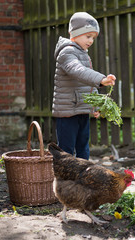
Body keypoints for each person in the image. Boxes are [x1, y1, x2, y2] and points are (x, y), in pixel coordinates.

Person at [52, 12, 116, 159]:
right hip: (67, 112)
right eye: (88, 36)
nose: (91, 41)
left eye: (93, 37)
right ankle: (65, 181)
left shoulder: (83, 54)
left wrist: (96, 106)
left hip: (81, 111)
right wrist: (101, 79)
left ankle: (83, 178)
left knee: (83, 148)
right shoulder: (67, 52)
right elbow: (78, 71)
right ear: (74, 33)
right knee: (66, 152)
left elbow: (86, 84)